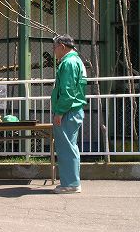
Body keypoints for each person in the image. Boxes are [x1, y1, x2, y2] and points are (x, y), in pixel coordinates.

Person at [51, 34, 87, 194]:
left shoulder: (68, 63)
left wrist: (59, 112)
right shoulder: (76, 61)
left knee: (66, 148)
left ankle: (71, 184)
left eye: (55, 47)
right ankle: (72, 181)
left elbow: (67, 91)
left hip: (67, 111)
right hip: (73, 110)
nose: (54, 51)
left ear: (62, 46)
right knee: (71, 147)